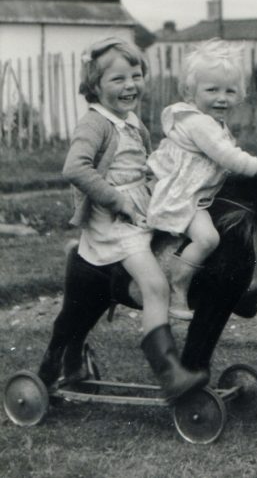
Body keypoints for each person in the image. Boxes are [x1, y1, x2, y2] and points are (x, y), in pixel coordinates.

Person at [38, 37, 208, 402]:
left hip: (139, 207)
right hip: (112, 219)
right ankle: (169, 372)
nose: (130, 85)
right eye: (118, 79)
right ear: (95, 86)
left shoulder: (132, 121)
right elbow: (74, 167)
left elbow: (144, 164)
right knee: (155, 284)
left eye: (136, 75)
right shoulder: (95, 124)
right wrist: (116, 199)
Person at [147, 38, 257, 320]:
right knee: (208, 239)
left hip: (198, 192)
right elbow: (230, 158)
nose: (222, 98)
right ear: (191, 91)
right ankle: (177, 287)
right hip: (184, 196)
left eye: (230, 90)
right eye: (212, 90)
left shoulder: (211, 122)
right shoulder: (199, 123)